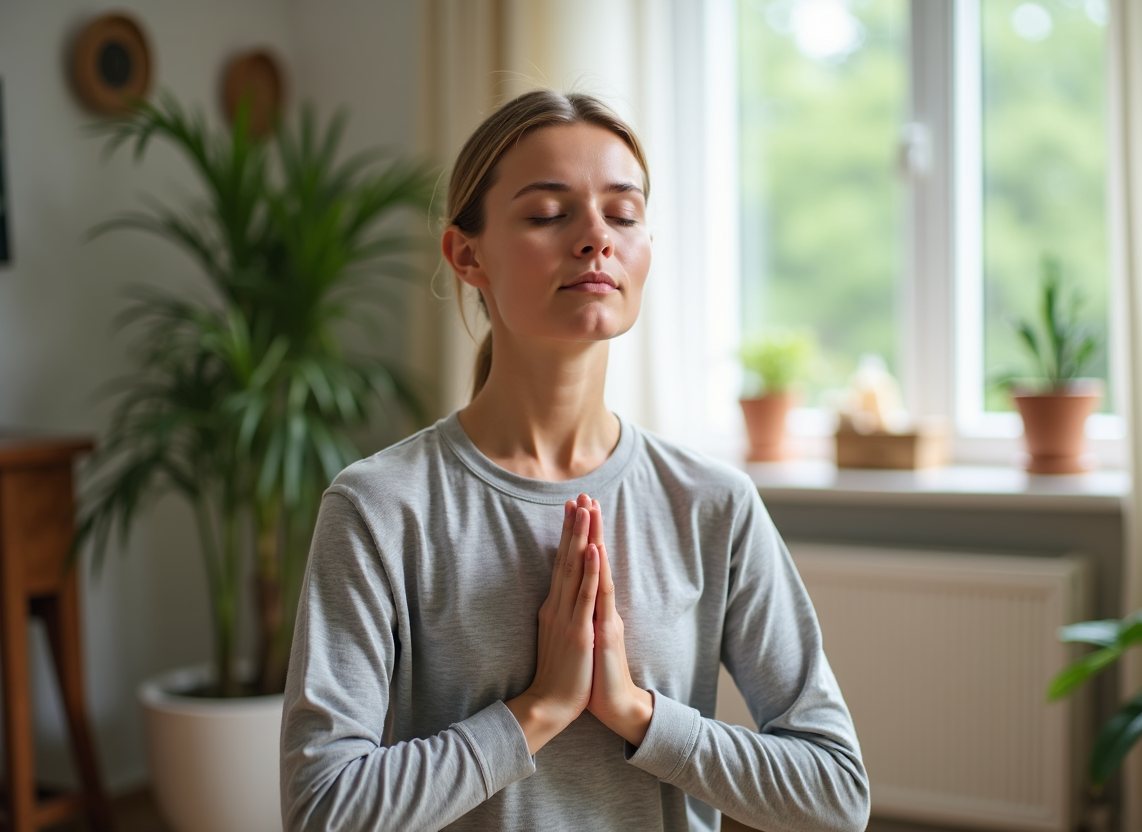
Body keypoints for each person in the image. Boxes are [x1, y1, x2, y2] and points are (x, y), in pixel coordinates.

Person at [280, 89, 869, 832]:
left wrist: (636, 713)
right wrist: (539, 711)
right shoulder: (379, 507)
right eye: (548, 214)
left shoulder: (713, 503)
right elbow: (323, 812)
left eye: (622, 214)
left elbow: (836, 795)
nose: (596, 238)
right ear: (467, 255)